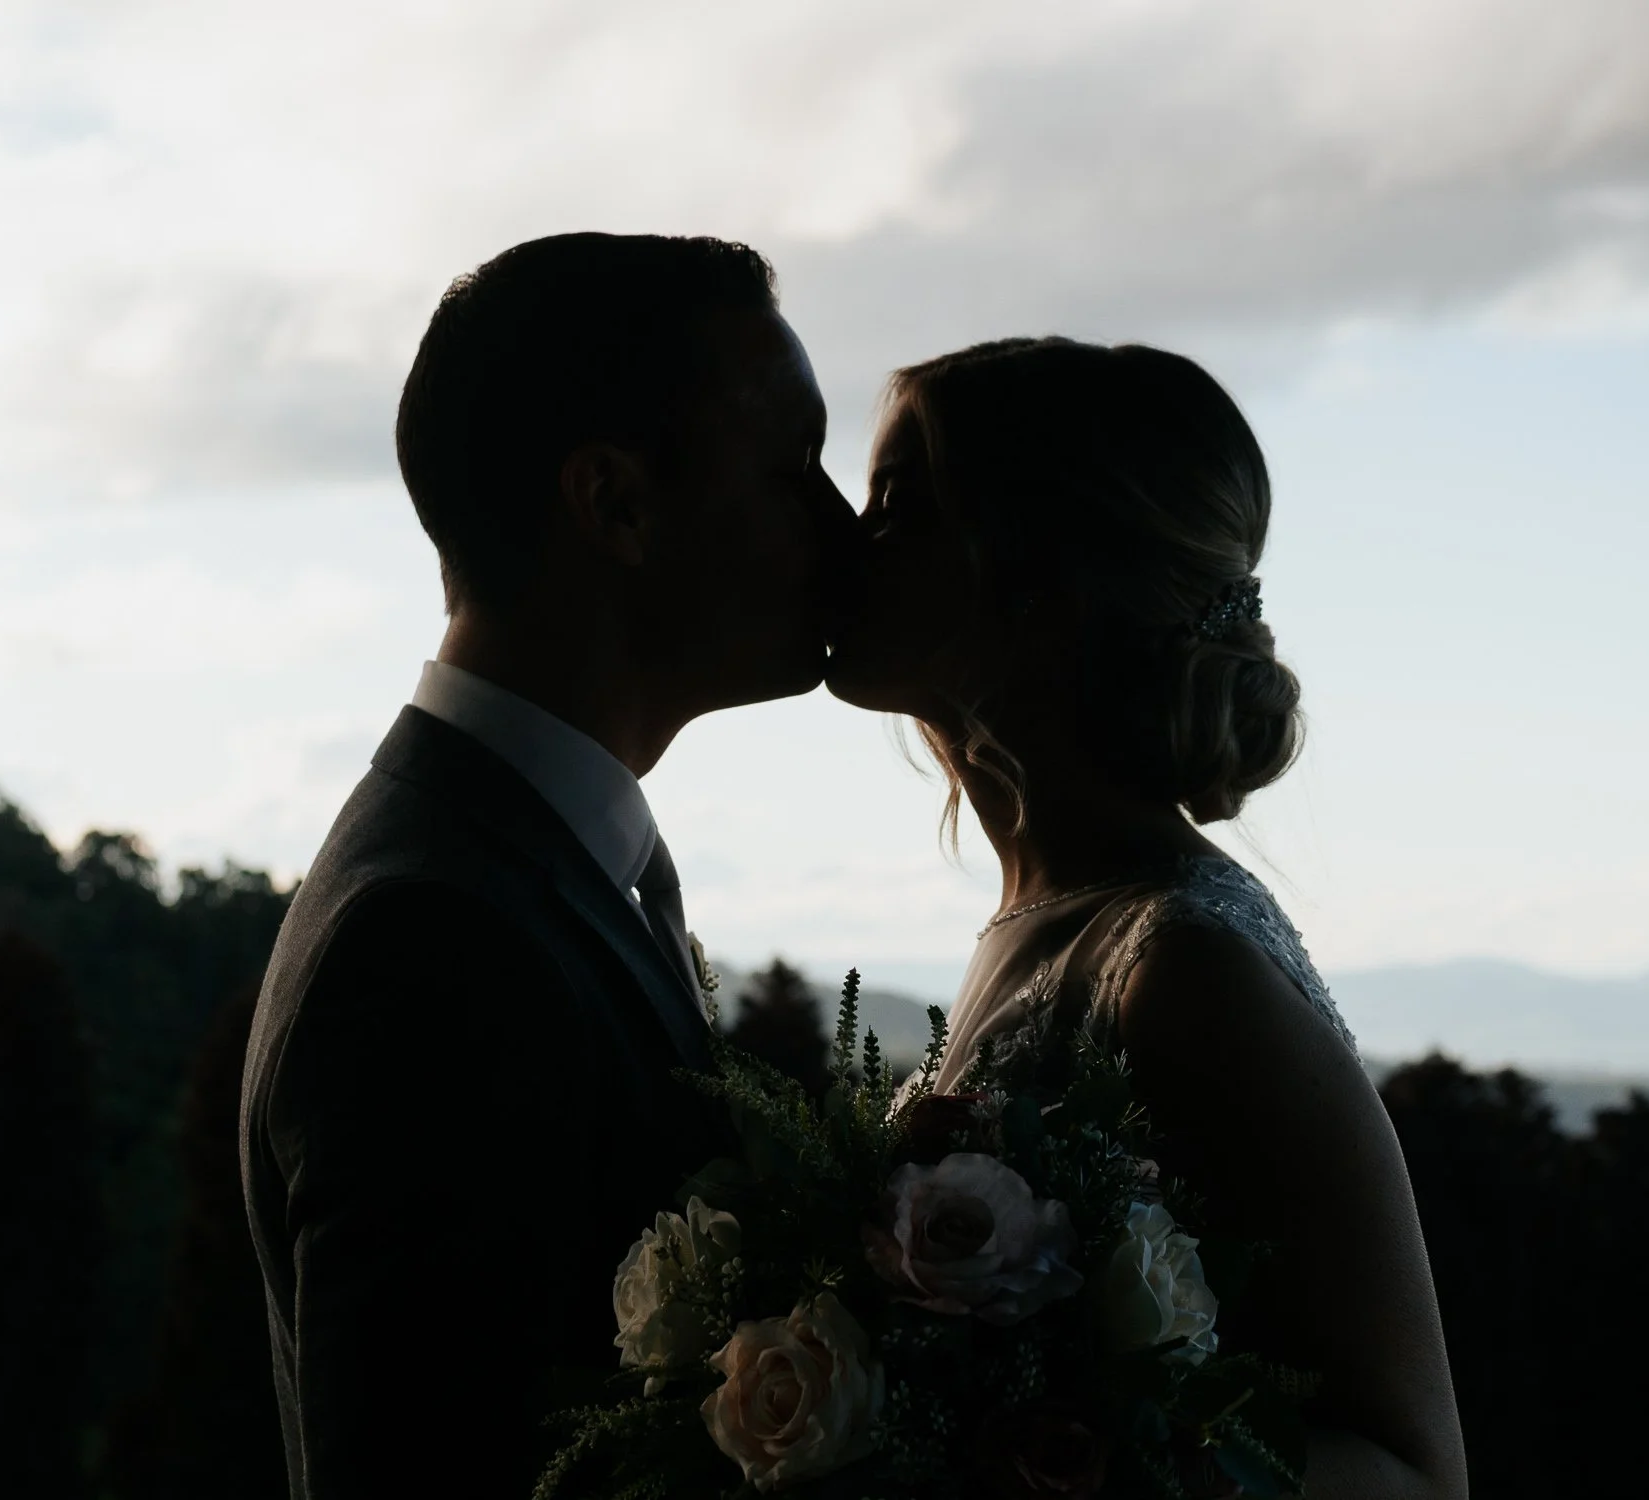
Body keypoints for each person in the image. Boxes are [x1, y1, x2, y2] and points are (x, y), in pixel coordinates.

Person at [239, 233, 854, 1499]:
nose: (839, 523)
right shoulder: (426, 941)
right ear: (615, 503)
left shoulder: (523, 863)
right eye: (793, 466)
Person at [826, 337, 1470, 1500]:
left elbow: (1412, 1470)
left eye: (901, 505)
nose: (844, 536)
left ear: (1048, 583)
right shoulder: (1040, 918)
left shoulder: (1179, 967)